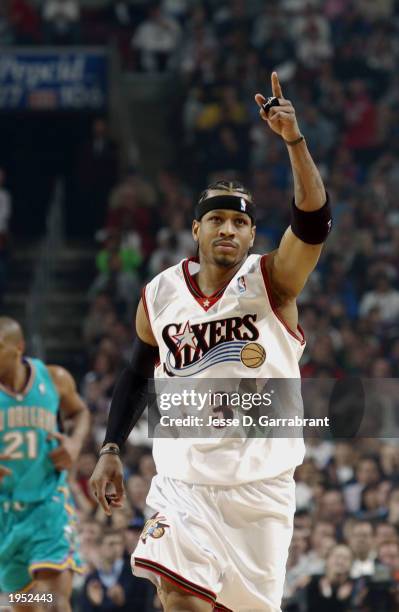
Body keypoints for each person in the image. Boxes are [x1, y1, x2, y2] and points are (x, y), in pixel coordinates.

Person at [90, 72, 331, 611]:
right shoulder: (160, 293)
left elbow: (314, 224)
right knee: (177, 598)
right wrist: (111, 447)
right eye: (215, 220)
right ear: (195, 231)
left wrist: (294, 142)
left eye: (238, 223)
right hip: (183, 484)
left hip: (260, 490)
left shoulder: (272, 281)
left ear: (249, 236)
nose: (226, 230)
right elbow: (136, 371)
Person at [0, 317, 90, 611]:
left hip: (47, 505)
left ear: (19, 348)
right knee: (26, 603)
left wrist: (74, 443)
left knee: (53, 602)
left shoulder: (54, 379)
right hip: (5, 516)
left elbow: (79, 413)